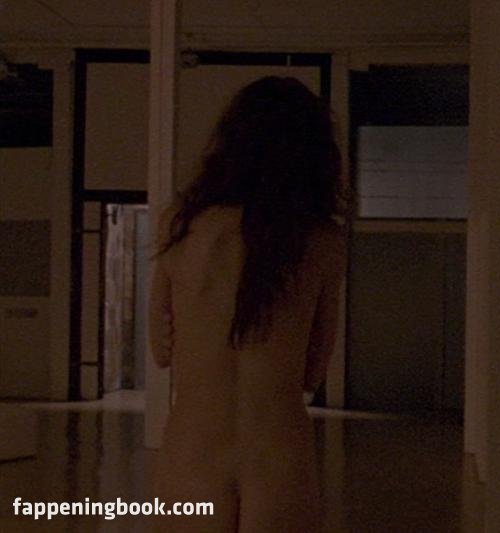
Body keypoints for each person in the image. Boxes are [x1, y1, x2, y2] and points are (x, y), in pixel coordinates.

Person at [148, 76, 348, 532]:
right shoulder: (323, 240)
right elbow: (313, 370)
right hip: (280, 459)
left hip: (191, 454)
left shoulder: (180, 226)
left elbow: (161, 350)